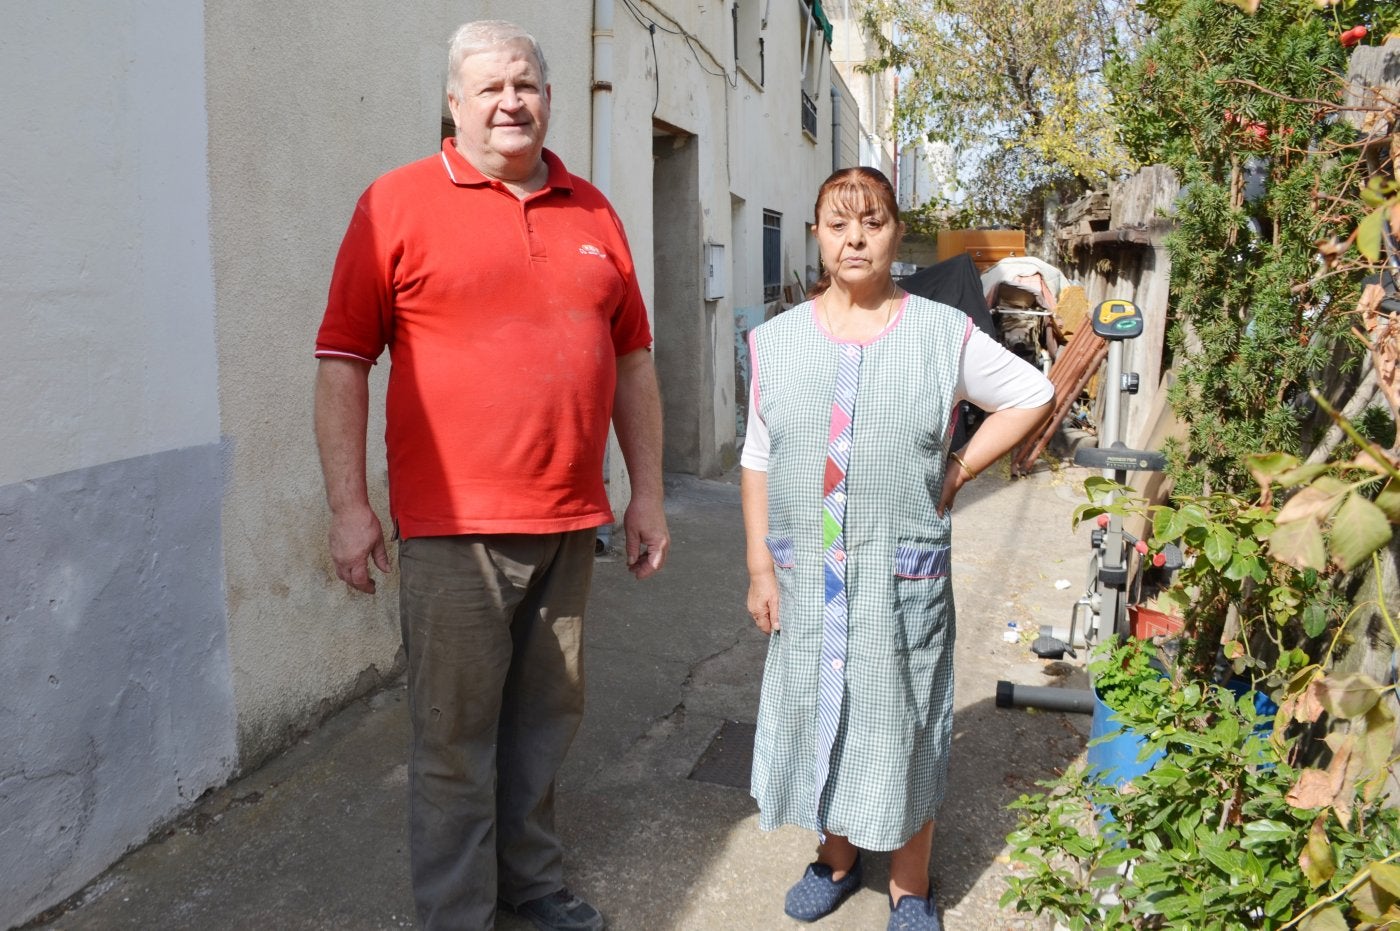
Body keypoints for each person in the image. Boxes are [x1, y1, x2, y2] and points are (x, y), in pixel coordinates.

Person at [313, 20, 668, 931]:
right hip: (453, 533)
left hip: (569, 522)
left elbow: (632, 360)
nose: (512, 102)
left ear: (548, 95)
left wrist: (649, 494)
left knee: (542, 729)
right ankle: (459, 914)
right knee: (454, 744)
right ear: (453, 102)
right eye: (491, 88)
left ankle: (534, 890)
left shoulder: (593, 211)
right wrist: (350, 506)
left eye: (527, 85)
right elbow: (343, 359)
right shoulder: (394, 204)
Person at [740, 167, 1052, 930]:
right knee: (823, 711)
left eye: (872, 221)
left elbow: (1032, 394)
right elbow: (758, 455)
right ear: (815, 233)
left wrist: (960, 468)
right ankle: (838, 859)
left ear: (895, 231)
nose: (855, 237)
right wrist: (758, 566)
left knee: (903, 719)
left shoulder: (941, 334)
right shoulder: (775, 343)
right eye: (838, 222)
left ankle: (910, 888)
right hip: (808, 577)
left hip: (897, 576)